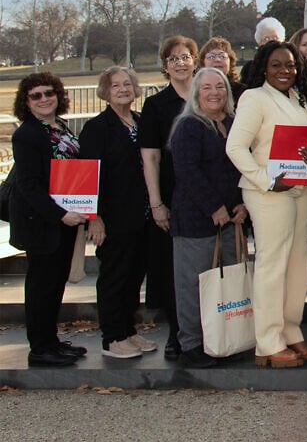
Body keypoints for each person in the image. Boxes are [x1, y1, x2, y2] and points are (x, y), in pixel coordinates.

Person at [225, 40, 307, 368]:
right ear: (264, 67)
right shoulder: (255, 98)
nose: (285, 71)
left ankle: (290, 330)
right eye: (277, 65)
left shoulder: (301, 99)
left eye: (291, 65)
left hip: (301, 188)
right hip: (269, 192)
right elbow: (235, 148)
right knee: (271, 265)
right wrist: (266, 179)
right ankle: (267, 342)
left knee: (297, 265)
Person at [167, 67, 248, 368]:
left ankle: (223, 340)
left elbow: (240, 166)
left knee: (226, 286)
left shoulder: (232, 123)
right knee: (194, 285)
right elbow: (187, 171)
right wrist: (214, 207)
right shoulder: (189, 125)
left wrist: (242, 204)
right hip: (196, 219)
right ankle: (191, 344)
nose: (214, 93)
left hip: (231, 219)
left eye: (220, 87)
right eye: (207, 88)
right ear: (196, 93)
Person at [9, 74, 87, 367]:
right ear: (26, 102)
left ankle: (51, 341)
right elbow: (28, 186)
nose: (44, 99)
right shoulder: (27, 134)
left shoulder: (60, 127)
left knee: (55, 285)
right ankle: (39, 347)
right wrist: (60, 214)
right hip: (43, 221)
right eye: (36, 95)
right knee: (41, 286)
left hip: (65, 219)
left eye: (49, 93)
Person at [79, 67, 152, 360]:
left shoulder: (140, 122)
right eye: (116, 85)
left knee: (134, 276)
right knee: (114, 277)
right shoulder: (97, 128)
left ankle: (128, 330)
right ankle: (113, 337)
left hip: (142, 215)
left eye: (127, 84)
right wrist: (94, 217)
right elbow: (88, 175)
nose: (123, 89)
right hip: (113, 216)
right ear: (105, 91)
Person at [140, 34, 198, 359]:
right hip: (172, 197)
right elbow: (150, 157)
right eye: (173, 58)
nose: (180, 63)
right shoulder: (156, 105)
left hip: (208, 197)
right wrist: (156, 203)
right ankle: (177, 333)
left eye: (185, 56)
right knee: (174, 271)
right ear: (165, 66)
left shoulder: (209, 96)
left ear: (195, 60)